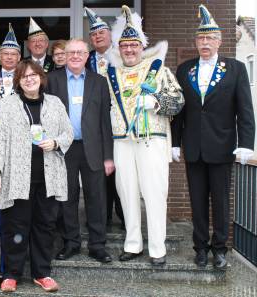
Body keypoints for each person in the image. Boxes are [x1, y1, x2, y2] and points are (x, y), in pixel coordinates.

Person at [171, 5, 255, 269]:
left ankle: (220, 249)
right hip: (193, 147)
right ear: (196, 42)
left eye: (210, 38)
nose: (205, 43)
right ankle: (200, 248)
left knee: (220, 201)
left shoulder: (236, 69)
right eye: (200, 38)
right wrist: (174, 142)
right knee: (197, 201)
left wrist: (246, 144)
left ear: (219, 41)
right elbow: (179, 110)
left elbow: (245, 110)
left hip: (222, 147)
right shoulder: (184, 70)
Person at [105, 6, 184, 266]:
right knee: (126, 192)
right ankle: (133, 244)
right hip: (122, 140)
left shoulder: (158, 69)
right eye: (125, 45)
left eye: (134, 45)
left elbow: (178, 101)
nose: (129, 50)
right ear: (119, 47)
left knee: (154, 192)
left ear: (141, 46)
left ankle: (158, 249)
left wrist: (156, 101)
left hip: (153, 139)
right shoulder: (110, 73)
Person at [0, 60, 73, 293]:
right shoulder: (8, 105)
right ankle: (11, 274)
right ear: (19, 81)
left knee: (45, 226)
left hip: (49, 177)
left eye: (33, 75)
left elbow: (68, 132)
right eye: (24, 76)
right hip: (17, 178)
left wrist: (55, 142)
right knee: (16, 225)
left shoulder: (54, 103)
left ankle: (42, 273)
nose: (29, 79)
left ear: (40, 77)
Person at [47, 38, 114, 263]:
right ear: (64, 56)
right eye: (71, 52)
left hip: (92, 148)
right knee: (67, 198)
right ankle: (71, 243)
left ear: (87, 56)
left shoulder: (99, 82)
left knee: (97, 198)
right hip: (63, 149)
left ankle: (97, 245)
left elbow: (105, 122)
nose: (75, 56)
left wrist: (108, 157)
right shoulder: (52, 80)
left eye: (80, 52)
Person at [84, 6, 125, 230]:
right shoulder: (86, 60)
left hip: (118, 121)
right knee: (100, 173)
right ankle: (104, 217)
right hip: (94, 124)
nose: (97, 36)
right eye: (93, 34)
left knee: (120, 171)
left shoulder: (122, 57)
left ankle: (124, 215)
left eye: (101, 33)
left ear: (110, 35)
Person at [0, 23, 21, 98]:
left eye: (13, 54)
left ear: (19, 57)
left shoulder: (24, 76)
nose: (9, 57)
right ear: (0, 56)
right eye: (6, 53)